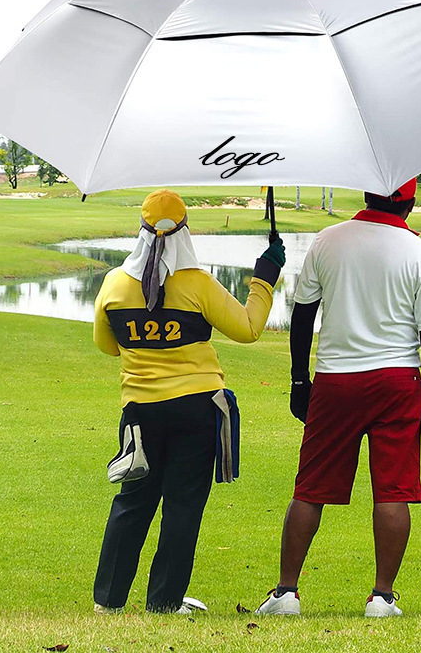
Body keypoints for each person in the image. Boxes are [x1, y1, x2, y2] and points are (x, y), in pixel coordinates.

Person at [255, 179, 421, 618]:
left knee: (310, 487)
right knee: (393, 488)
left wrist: (298, 381)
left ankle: (287, 591)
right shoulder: (420, 252)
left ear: (366, 195)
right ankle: (381, 597)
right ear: (411, 202)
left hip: (335, 382)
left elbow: (302, 315)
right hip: (397, 383)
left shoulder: (328, 240)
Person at [92, 189, 285, 614]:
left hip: (139, 412)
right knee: (182, 504)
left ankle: (108, 601)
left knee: (133, 500)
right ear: (184, 231)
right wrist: (264, 278)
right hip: (196, 409)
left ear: (141, 230)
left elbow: (107, 345)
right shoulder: (197, 283)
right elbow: (250, 328)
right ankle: (163, 601)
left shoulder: (114, 284)